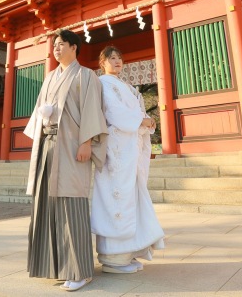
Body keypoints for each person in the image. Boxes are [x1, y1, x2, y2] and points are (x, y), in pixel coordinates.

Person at [24, 29, 108, 292]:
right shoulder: (50, 77)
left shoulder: (86, 75)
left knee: (71, 203)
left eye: (61, 44)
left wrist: (87, 142)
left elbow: (92, 110)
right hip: (48, 144)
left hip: (72, 146)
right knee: (46, 204)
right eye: (54, 46)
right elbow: (40, 110)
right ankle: (55, 266)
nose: (56, 49)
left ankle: (80, 270)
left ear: (74, 47)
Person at [91, 46, 165, 274]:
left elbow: (135, 113)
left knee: (130, 196)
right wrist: (140, 121)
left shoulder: (127, 86)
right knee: (116, 196)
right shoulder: (103, 83)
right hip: (116, 149)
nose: (117, 61)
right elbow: (113, 111)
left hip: (129, 146)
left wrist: (146, 121)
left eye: (119, 58)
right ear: (102, 63)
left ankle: (128, 253)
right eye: (112, 58)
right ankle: (113, 257)